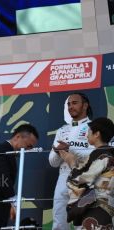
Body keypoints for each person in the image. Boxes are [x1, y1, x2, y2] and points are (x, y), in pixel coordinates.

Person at [49, 92, 93, 230]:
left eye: (74, 103)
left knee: (83, 221)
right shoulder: (62, 130)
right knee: (59, 220)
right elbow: (52, 162)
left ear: (85, 105)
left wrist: (70, 148)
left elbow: (97, 155)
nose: (70, 107)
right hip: (63, 175)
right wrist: (57, 152)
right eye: (68, 104)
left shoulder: (94, 127)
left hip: (84, 175)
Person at [60, 117, 114, 229]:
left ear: (97, 134)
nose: (86, 135)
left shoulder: (99, 155)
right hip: (108, 207)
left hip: (95, 207)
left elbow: (81, 180)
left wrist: (71, 162)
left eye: (89, 132)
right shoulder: (110, 154)